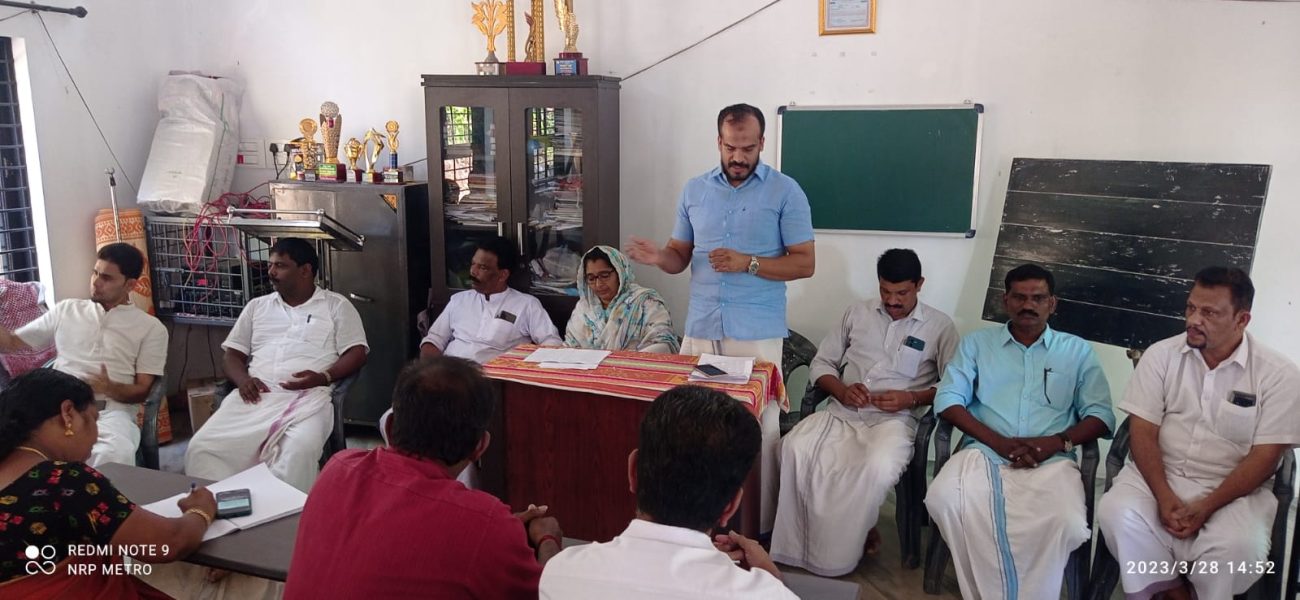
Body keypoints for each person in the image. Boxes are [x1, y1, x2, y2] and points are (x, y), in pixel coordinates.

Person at [625, 103, 815, 531]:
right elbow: (680, 257)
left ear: (762, 144)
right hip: (703, 327)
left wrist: (749, 263)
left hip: (755, 333)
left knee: (756, 431)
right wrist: (660, 257)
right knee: (692, 425)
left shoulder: (786, 192)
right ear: (718, 142)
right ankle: (695, 520)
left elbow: (804, 264)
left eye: (747, 148)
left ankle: (756, 527)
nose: (738, 157)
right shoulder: (695, 190)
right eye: (731, 148)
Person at [1096, 267, 1300, 599]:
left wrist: (1205, 507)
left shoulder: (1278, 375)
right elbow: (1143, 431)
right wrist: (1164, 497)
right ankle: (1175, 591)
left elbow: (1266, 456)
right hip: (1161, 474)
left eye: (1209, 312)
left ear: (1242, 320)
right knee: (1116, 512)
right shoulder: (1161, 356)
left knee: (1237, 549)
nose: (1193, 319)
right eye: (1191, 307)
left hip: (1235, 488)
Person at [285, 357, 562, 599]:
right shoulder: (486, 523)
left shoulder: (337, 469)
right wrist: (548, 539)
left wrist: (501, 532)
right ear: (480, 446)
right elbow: (548, 594)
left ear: (390, 428)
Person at [923, 263, 1115, 599]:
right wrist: (997, 442)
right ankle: (988, 587)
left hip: (1052, 459)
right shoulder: (977, 345)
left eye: (1038, 298)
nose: (1028, 305)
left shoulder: (1077, 351)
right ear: (1006, 300)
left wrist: (1055, 442)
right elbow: (948, 399)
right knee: (945, 499)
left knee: (1067, 521)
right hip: (983, 451)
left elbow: (1099, 414)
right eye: (1020, 297)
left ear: (1052, 303)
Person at [771, 249, 959, 576]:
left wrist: (910, 398)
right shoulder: (856, 314)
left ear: (919, 285)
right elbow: (822, 364)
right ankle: (797, 548)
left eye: (902, 292)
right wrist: (842, 390)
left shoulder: (940, 327)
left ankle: (843, 550)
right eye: (886, 291)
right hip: (843, 411)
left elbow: (953, 386)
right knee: (793, 448)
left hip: (895, 421)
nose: (892, 300)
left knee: (877, 465)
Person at [540, 385, 797, 599]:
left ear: (633, 472)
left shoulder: (561, 574)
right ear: (730, 506)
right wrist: (770, 575)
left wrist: (547, 543)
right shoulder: (767, 595)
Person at [0, 368, 215, 598]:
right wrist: (200, 510)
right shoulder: (65, 481)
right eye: (93, 419)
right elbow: (170, 543)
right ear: (68, 414)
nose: (95, 437)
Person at [185, 238, 367, 492]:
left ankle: (283, 523)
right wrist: (243, 381)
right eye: (271, 265)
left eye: (280, 266)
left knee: (298, 452)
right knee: (203, 448)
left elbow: (357, 351)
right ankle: (222, 512)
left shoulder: (335, 305)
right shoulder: (257, 307)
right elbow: (232, 355)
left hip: (308, 398)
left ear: (305, 271)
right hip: (254, 396)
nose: (271, 272)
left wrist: (323, 376)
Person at [0, 243, 167, 467]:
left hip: (109, 414)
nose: (96, 282)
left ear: (130, 285)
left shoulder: (151, 328)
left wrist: (110, 387)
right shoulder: (67, 310)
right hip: (53, 411)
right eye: (95, 273)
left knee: (113, 457)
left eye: (107, 278)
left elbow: (143, 390)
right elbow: (11, 343)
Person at [420, 235, 563, 363]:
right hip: (453, 377)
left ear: (502, 275)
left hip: (494, 382)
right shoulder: (458, 300)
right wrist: (432, 371)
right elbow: (433, 341)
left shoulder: (526, 304)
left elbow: (552, 342)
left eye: (482, 267)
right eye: (473, 264)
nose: (472, 272)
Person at [564, 245, 679, 353]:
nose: (598, 284)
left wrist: (623, 363)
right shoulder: (584, 308)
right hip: (588, 372)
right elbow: (570, 347)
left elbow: (664, 344)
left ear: (620, 272)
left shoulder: (646, 302)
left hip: (635, 370)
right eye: (591, 278)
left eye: (604, 275)